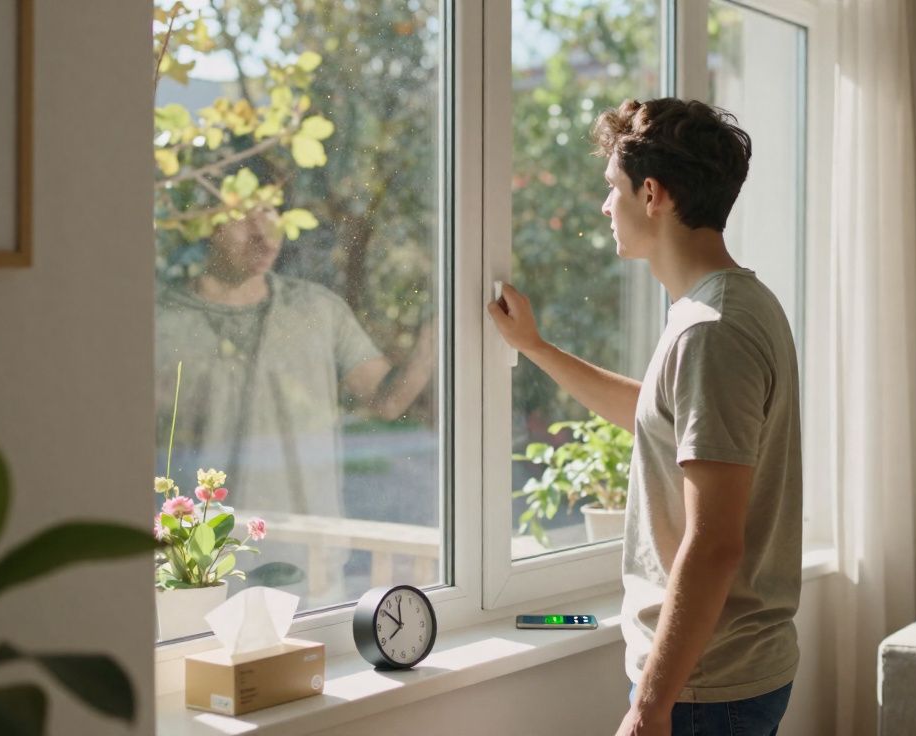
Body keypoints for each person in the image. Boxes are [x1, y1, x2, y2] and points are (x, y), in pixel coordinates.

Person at [488, 99, 802, 736]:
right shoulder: (730, 303)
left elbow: (714, 544)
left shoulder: (713, 331)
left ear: (652, 194)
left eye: (613, 189)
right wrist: (536, 348)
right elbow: (657, 418)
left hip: (704, 687)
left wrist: (651, 705)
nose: (606, 207)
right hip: (715, 678)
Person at [155, 205, 412, 604]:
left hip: (309, 568)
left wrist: (443, 328)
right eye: (243, 215)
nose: (264, 234)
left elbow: (387, 400)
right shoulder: (157, 323)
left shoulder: (317, 310)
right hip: (197, 573)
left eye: (271, 213)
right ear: (202, 219)